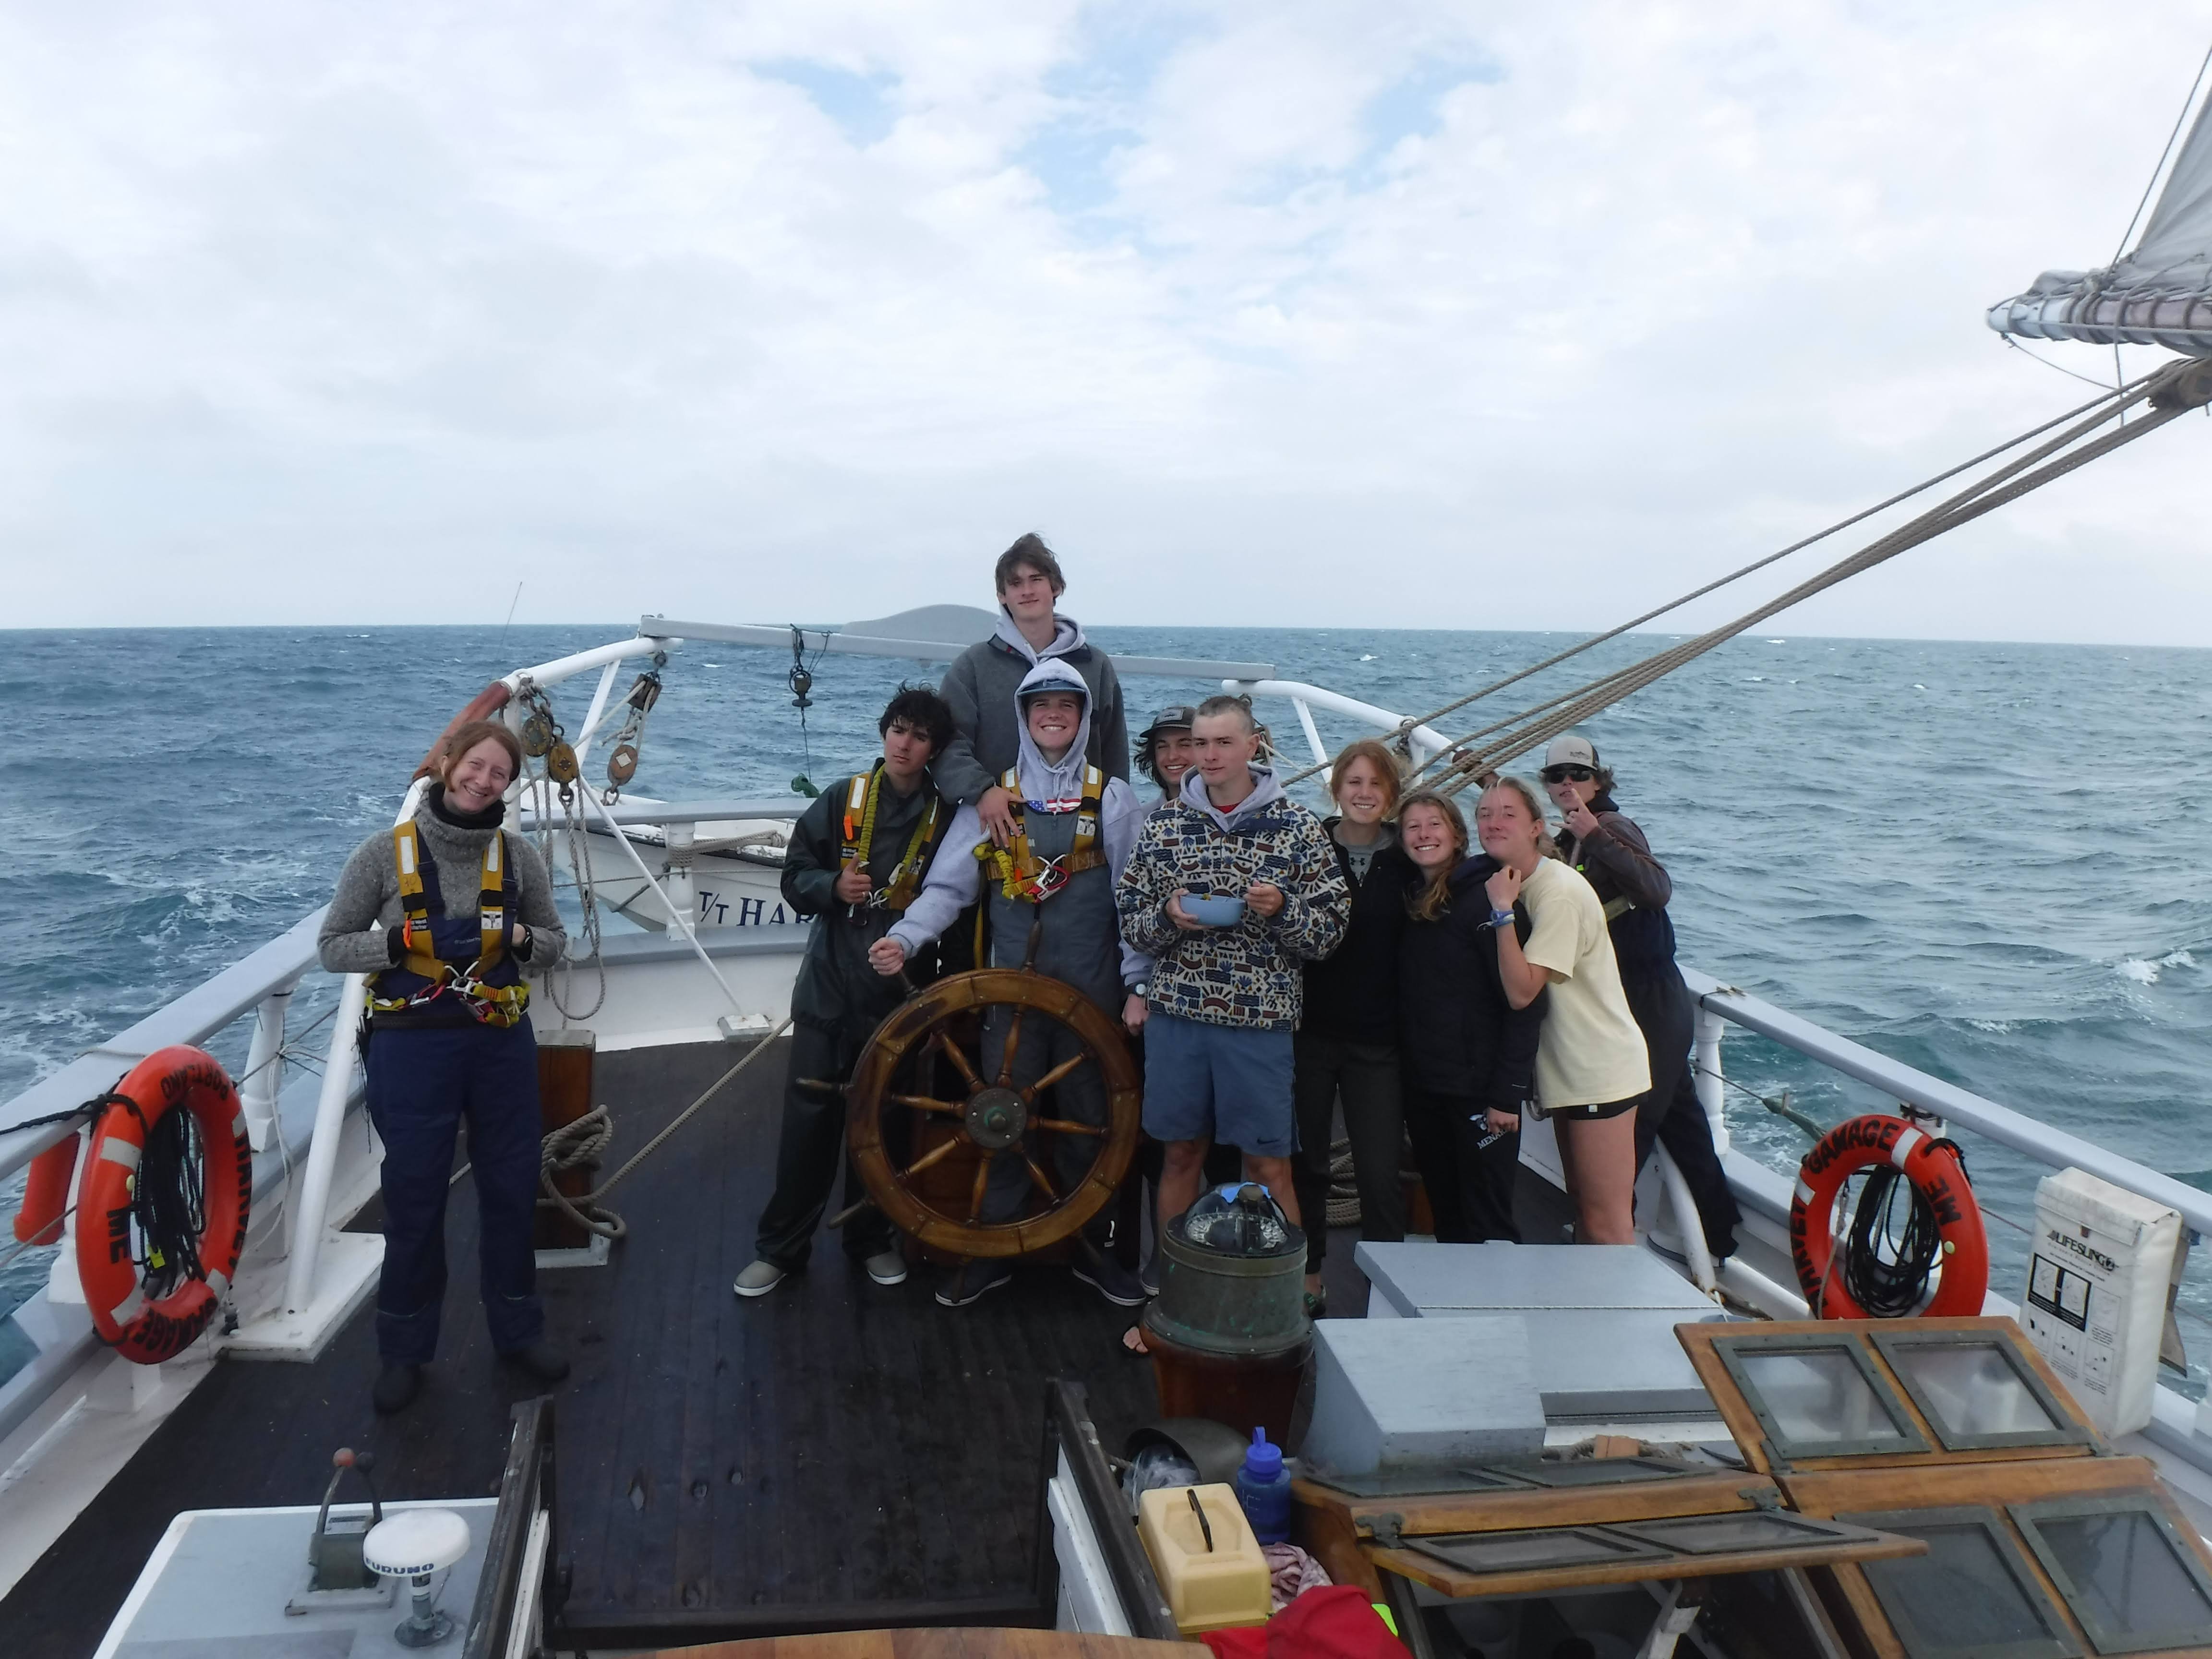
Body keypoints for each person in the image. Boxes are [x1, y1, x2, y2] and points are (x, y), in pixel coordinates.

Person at [870, 659, 1151, 1310]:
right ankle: (991, 1248)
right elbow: (947, 887)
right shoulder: (993, 798)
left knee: (1091, 1120)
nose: (1053, 714)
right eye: (1040, 705)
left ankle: (1088, 1245)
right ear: (1024, 716)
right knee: (999, 1119)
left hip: (1093, 999)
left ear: (1083, 718)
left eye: (1067, 705)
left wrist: (1138, 986)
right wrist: (906, 938)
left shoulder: (1112, 797)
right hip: (1007, 1000)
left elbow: (1133, 904)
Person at [318, 720, 569, 1415]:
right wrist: (394, 943)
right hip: (412, 1047)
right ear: (447, 764)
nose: (483, 781)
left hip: (498, 1044)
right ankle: (404, 1350)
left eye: (499, 775)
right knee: (415, 1198)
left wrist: (521, 936)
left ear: (508, 788)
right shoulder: (381, 855)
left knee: (513, 1190)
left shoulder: (519, 859)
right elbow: (334, 947)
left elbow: (554, 944)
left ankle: (518, 1333)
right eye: (475, 766)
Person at [733, 685, 958, 1299]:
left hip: (899, 992)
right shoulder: (842, 799)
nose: (904, 744)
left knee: (882, 1125)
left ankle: (871, 1241)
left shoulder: (947, 816)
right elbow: (793, 876)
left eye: (918, 736)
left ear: (934, 748)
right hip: (830, 987)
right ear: (884, 733)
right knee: (808, 1125)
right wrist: (832, 886)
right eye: (897, 730)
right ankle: (781, 1249)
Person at [1115, 696, 1348, 1237]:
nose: (1210, 755)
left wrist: (1283, 910)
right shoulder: (1164, 826)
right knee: (1179, 1158)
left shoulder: (1298, 828)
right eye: (1201, 744)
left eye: (1224, 742)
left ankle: (1281, 1308)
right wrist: (1169, 917)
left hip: (1259, 1023)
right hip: (1177, 1018)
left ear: (1253, 745)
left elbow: (1329, 935)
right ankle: (1174, 1299)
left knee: (1269, 1167)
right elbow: (1131, 923)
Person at [1541, 735, 1740, 1258]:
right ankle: (1722, 1236)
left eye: (1578, 775)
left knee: (1631, 1128)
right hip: (1631, 998)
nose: (1568, 785)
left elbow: (1656, 889)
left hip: (1649, 999)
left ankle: (1609, 1243)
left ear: (1600, 781)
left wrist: (1594, 834)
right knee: (1680, 1119)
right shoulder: (1570, 838)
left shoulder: (1610, 827)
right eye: (1557, 776)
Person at [1479, 776, 1650, 1245]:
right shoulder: (1525, 883)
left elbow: (1521, 992)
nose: (1494, 823)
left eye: (1508, 814)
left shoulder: (1555, 894)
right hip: (1573, 1074)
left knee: (1607, 1220)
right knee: (1583, 1205)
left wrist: (1501, 914)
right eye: (1484, 814)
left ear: (1537, 827)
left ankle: (1619, 1318)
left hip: (1599, 1071)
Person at [1290, 740, 1415, 1306]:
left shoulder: (1409, 859)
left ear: (1391, 795)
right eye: (1354, 783)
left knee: (1380, 1172)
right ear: (1336, 789)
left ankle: (1386, 1288)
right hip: (1311, 1032)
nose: (1364, 794)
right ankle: (1311, 1275)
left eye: (1376, 785)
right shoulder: (1308, 846)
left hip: (1379, 1041)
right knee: (1308, 1163)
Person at [1393, 790, 1543, 1244]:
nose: (1424, 835)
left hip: (1479, 1095)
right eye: (1413, 827)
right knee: (1447, 1213)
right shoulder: (1416, 902)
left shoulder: (1488, 902)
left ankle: (1500, 1313)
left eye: (1434, 824)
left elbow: (1525, 1005)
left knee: (1489, 1222)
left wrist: (1506, 1095)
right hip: (1428, 1089)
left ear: (1457, 835)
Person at [937, 534, 1131, 849]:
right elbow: (947, 743)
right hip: (996, 827)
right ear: (1002, 595)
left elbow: (1114, 755)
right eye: (1015, 583)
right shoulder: (972, 666)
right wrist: (982, 790)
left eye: (1036, 579)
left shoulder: (1095, 666)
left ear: (1056, 587)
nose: (1026, 591)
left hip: (1079, 835)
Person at [1137, 705, 1201, 811]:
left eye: (1184, 745)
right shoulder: (1142, 819)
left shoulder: (1226, 813)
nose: (1172, 756)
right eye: (1162, 747)